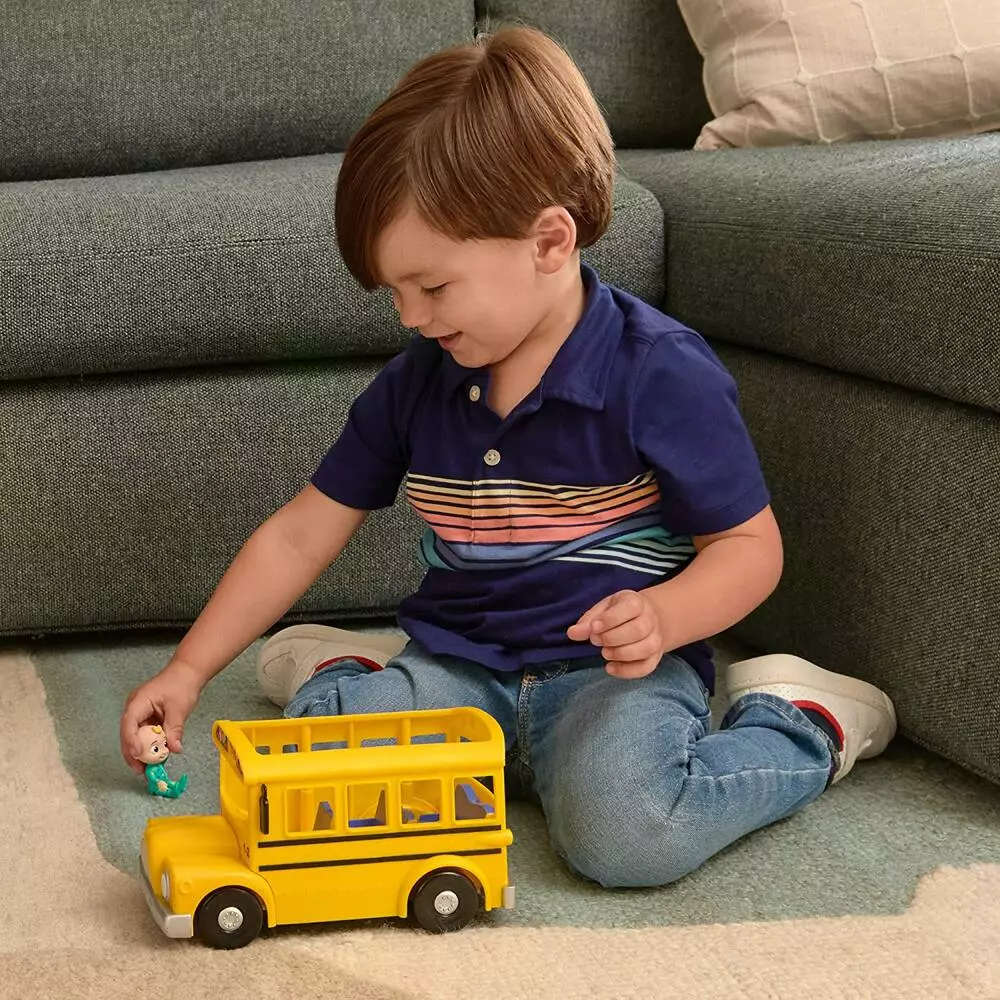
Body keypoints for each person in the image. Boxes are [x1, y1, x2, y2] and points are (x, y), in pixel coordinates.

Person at [120, 26, 896, 887]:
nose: (411, 317)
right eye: (395, 292)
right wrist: (189, 667)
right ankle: (350, 671)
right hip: (458, 664)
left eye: (433, 286)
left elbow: (750, 549)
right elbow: (301, 534)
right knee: (308, 773)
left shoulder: (660, 372)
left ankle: (799, 722)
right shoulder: (418, 381)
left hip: (611, 678)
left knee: (627, 836)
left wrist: (666, 616)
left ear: (550, 242)